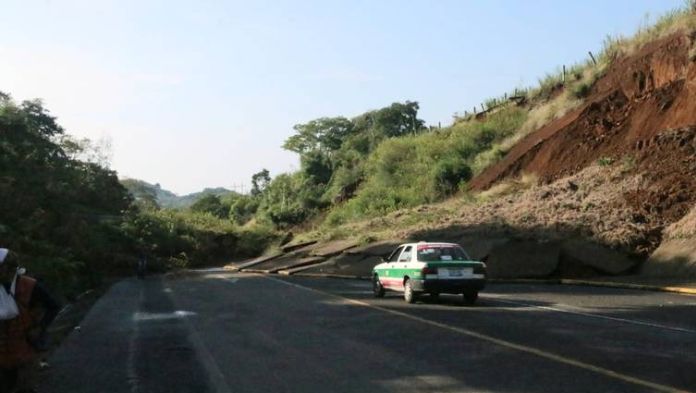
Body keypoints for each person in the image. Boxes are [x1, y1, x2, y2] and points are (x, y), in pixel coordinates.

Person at [0, 248, 60, 393]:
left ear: (10, 268)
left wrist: (40, 327)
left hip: (24, 346)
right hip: (2, 350)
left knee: (24, 386)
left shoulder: (29, 286)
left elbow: (54, 306)